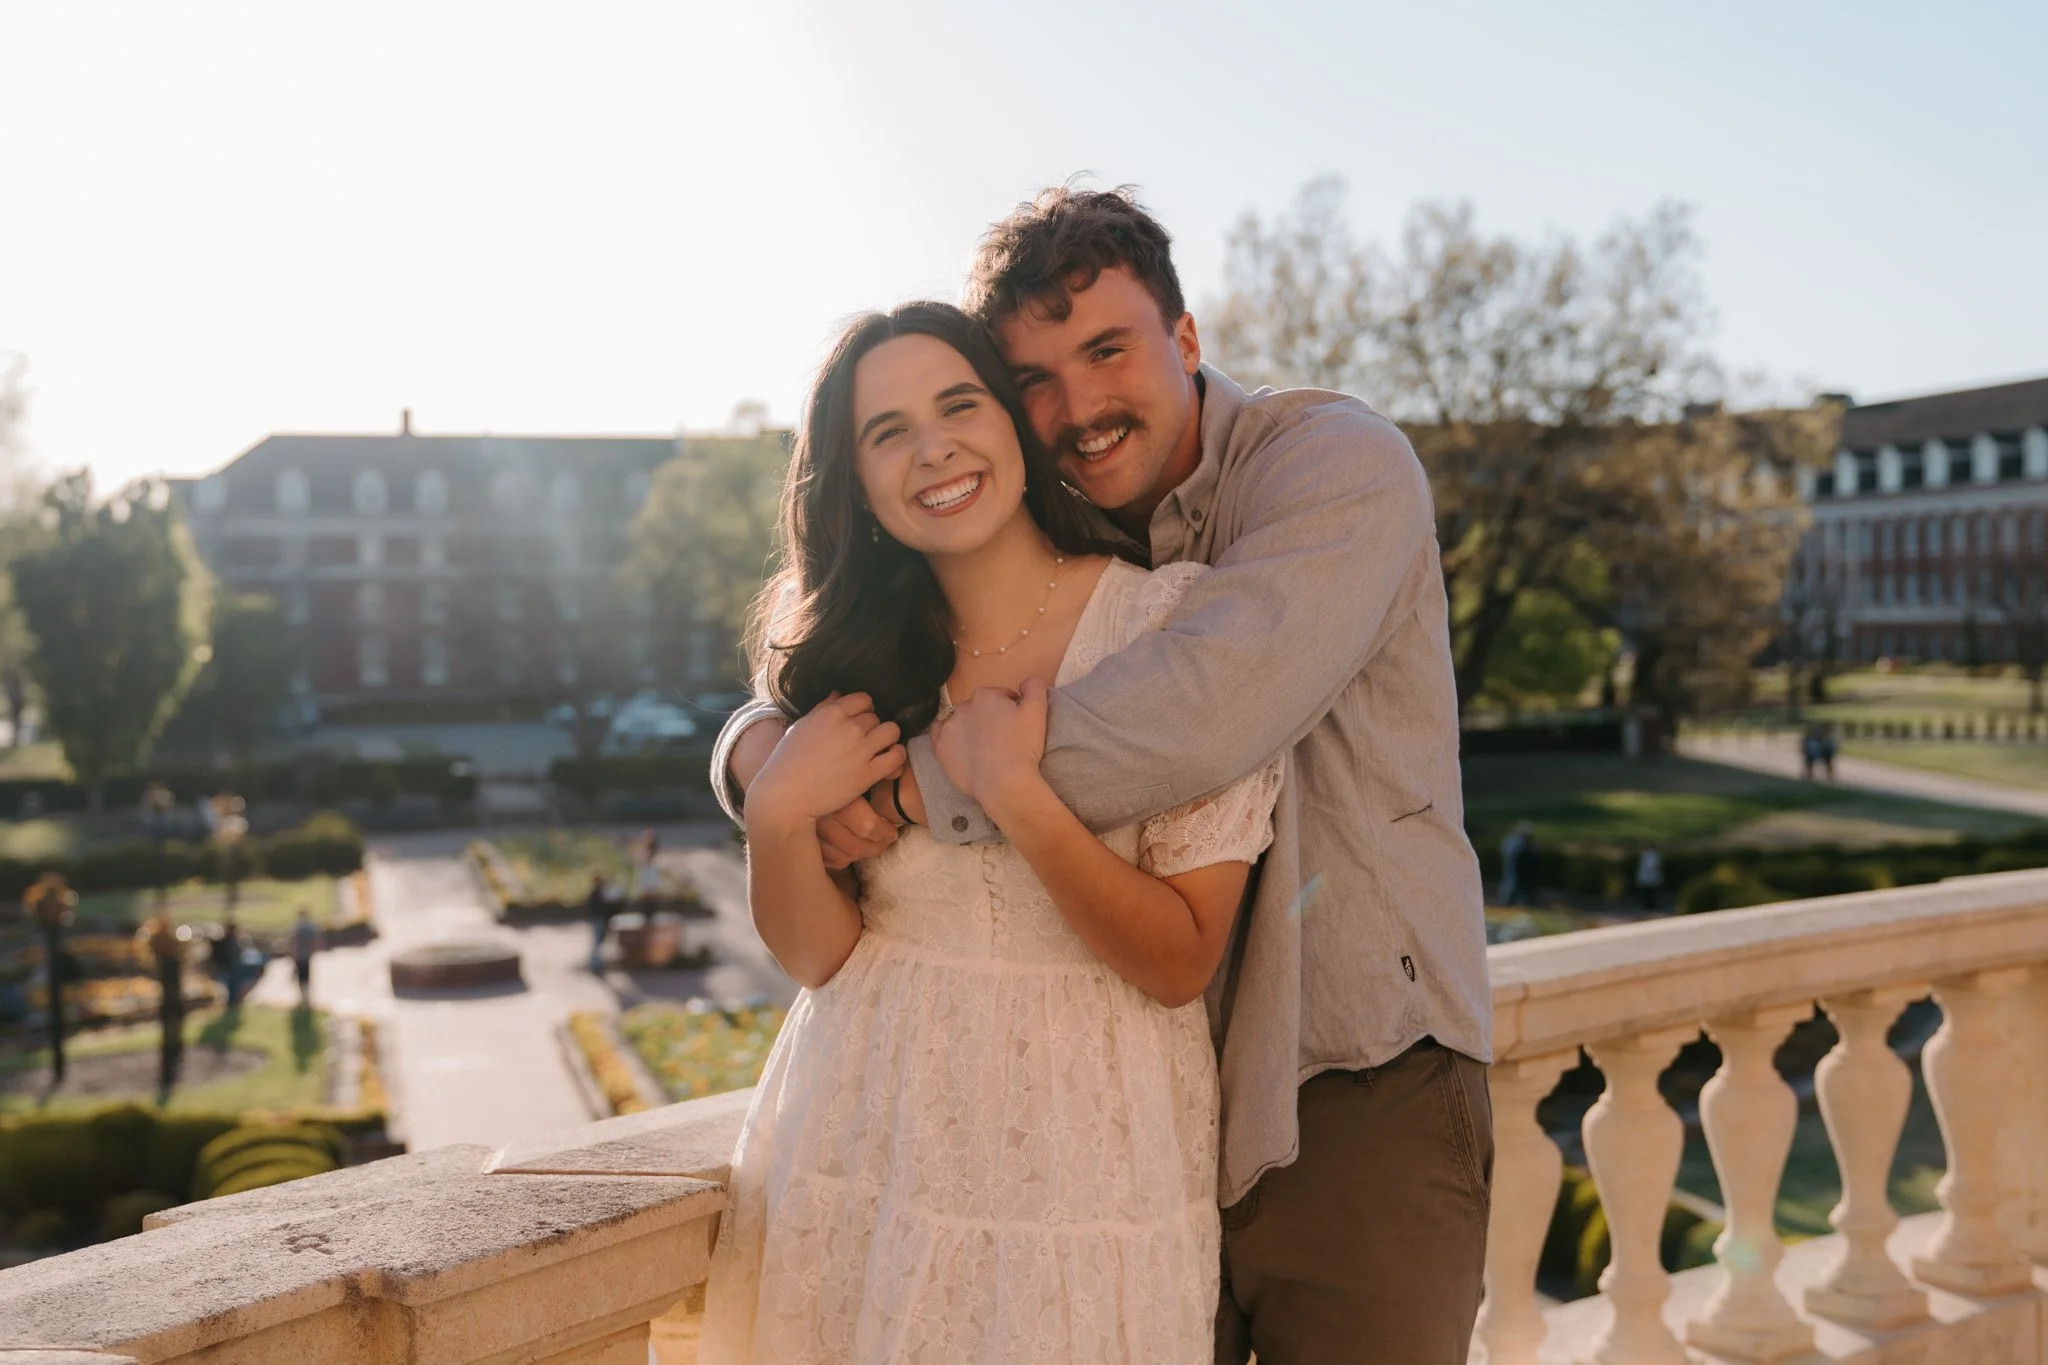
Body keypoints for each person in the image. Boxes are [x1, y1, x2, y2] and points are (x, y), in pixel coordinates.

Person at [716, 188, 1493, 1364]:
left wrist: (896, 796)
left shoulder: (1330, 468)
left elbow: (1191, 714)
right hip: (1127, 1102)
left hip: (1345, 1073)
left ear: (1184, 340)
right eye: (1034, 378)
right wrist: (757, 763)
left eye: (1107, 350)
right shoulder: (1062, 524)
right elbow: (831, 672)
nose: (1076, 407)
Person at [699, 302, 1283, 1363]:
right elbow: (817, 954)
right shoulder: (853, 663)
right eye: (886, 432)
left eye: (958, 404)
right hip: (861, 1134)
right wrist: (777, 808)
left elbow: (1178, 959)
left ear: (1011, 422)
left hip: (1088, 1154)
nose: (933, 449)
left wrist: (1017, 796)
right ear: (859, 483)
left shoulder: (1165, 627)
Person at [290, 909, 321, 1005]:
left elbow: (294, 944)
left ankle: (303, 997)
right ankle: (305, 996)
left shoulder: (297, 928)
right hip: (307, 955)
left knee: (301, 977)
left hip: (300, 956)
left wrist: (293, 956)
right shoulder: (310, 927)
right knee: (306, 976)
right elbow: (315, 942)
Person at [585, 872, 613, 974]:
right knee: (597, 943)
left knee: (597, 943)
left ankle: (595, 964)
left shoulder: (596, 893)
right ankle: (595, 965)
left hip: (597, 919)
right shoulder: (597, 894)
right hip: (598, 919)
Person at [1499, 822, 1530, 907]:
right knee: (1510, 882)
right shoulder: (1514, 840)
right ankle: (1505, 900)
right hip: (1512, 864)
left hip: (1515, 865)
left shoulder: (1517, 840)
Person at [1635, 845, 1665, 913]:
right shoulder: (1646, 855)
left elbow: (1656, 867)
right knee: (1648, 893)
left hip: (1651, 878)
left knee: (1651, 893)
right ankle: (1648, 906)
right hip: (1648, 878)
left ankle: (1650, 906)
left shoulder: (1652, 856)